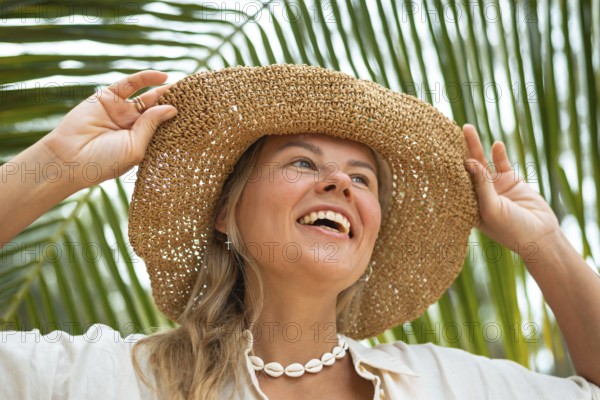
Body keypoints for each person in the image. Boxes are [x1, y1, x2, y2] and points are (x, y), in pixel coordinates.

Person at [0, 65, 598, 400]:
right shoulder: (112, 379)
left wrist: (541, 243)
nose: (340, 184)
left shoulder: (446, 384)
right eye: (303, 164)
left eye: (363, 179)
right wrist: (56, 163)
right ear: (224, 213)